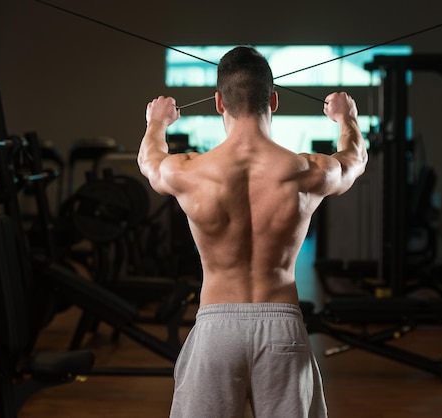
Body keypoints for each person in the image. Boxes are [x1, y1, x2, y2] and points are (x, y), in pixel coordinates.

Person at [137, 46, 368, 418]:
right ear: (273, 100)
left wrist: (157, 122)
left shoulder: (191, 170)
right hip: (282, 327)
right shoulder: (306, 169)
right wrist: (347, 118)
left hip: (216, 329)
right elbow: (354, 161)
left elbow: (149, 161)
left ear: (218, 102)